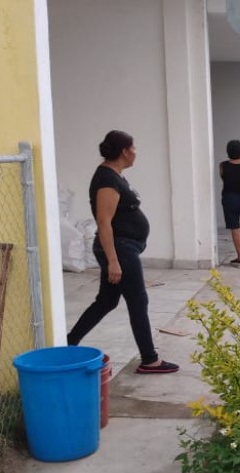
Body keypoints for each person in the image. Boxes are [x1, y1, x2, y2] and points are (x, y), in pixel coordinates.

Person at [67, 130, 179, 374]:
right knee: (138, 300)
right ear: (124, 151)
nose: (136, 152)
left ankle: (69, 341)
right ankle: (150, 360)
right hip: (119, 248)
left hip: (124, 247)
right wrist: (113, 261)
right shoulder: (107, 179)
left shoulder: (114, 175)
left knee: (106, 301)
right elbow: (104, 222)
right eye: (134, 147)